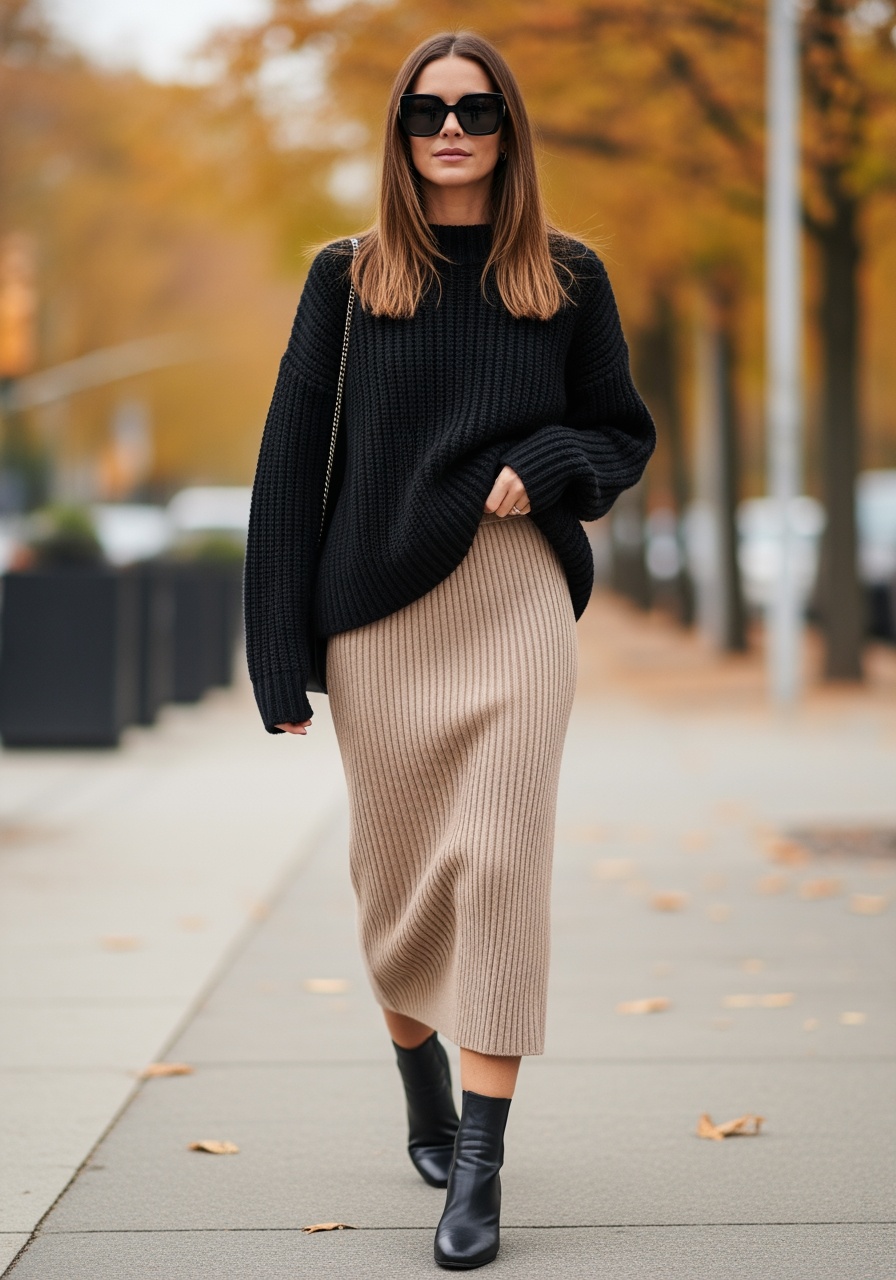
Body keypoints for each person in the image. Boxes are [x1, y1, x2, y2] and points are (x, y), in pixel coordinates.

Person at [244, 29, 655, 1271]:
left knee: (499, 864)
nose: (450, 130)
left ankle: (478, 1165)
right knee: (400, 883)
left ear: (507, 127)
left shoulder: (567, 276)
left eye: (473, 109)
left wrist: (552, 465)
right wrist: (278, 655)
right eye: (425, 111)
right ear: (399, 132)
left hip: (516, 605)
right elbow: (288, 465)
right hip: (376, 621)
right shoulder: (348, 277)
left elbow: (619, 434)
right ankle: (417, 1073)